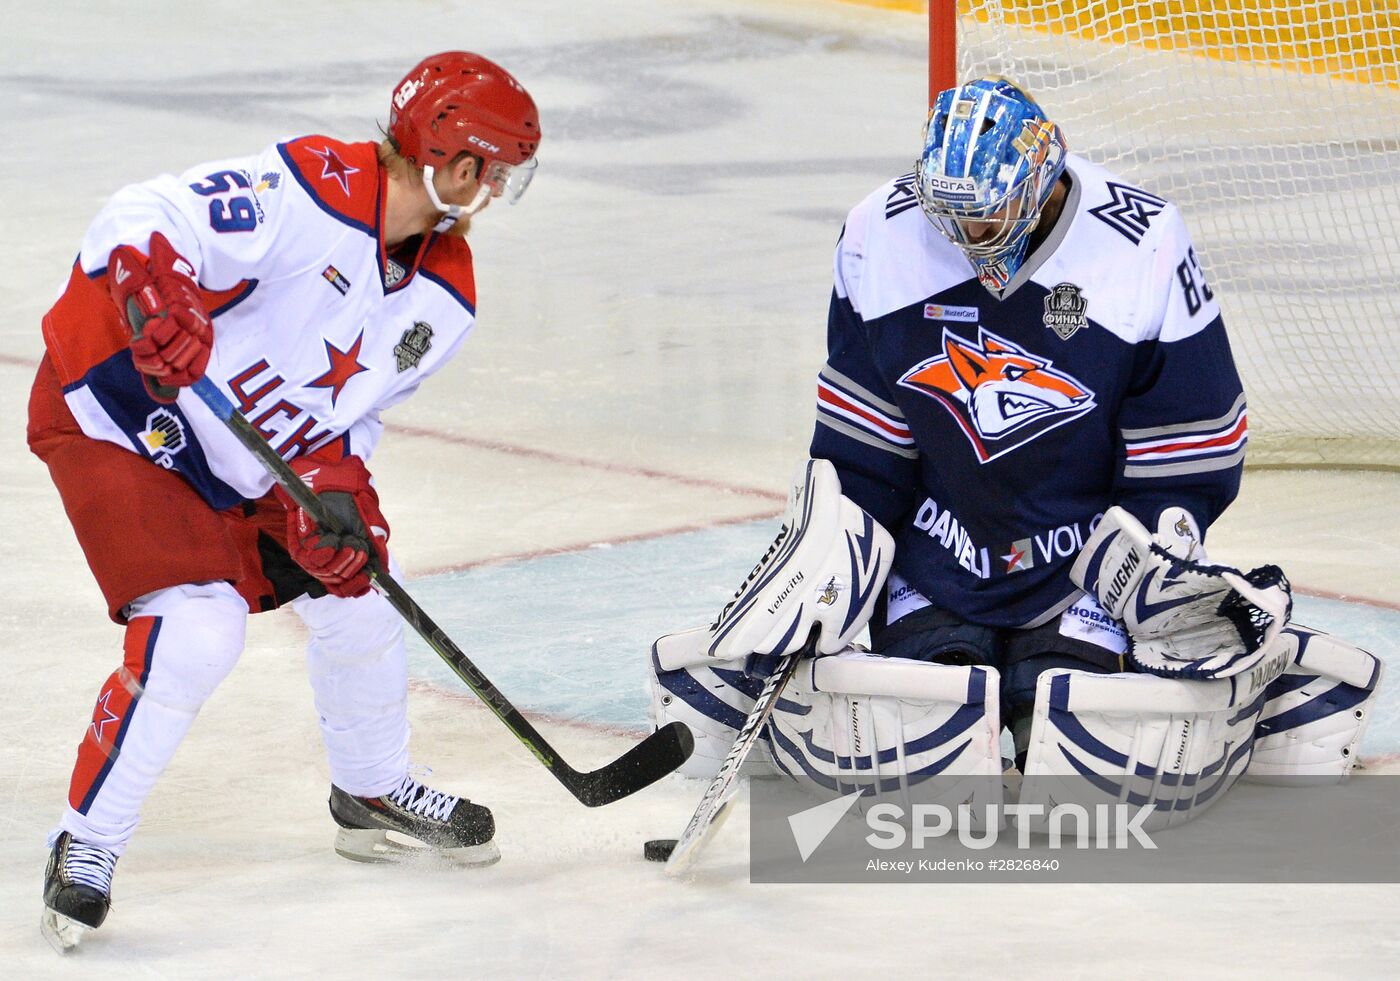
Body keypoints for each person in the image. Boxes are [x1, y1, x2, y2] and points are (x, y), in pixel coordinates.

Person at [648, 78, 1380, 820]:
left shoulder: (1143, 240)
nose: (964, 234)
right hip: (936, 552)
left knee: (1075, 751)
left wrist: (1155, 552)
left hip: (1084, 559)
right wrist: (837, 557)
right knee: (919, 741)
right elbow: (864, 438)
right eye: (950, 215)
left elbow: (1192, 438)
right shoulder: (880, 230)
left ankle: (1242, 678)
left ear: (1039, 181)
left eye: (984, 214)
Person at [29, 51, 541, 949]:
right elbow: (141, 214)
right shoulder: (310, 186)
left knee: (360, 588)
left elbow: (354, 417)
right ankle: (87, 841)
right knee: (199, 628)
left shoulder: (445, 294)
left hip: (246, 452)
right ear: (459, 164)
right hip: (121, 409)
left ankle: (371, 786)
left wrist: (344, 494)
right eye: (496, 171)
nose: (495, 190)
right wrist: (157, 286)